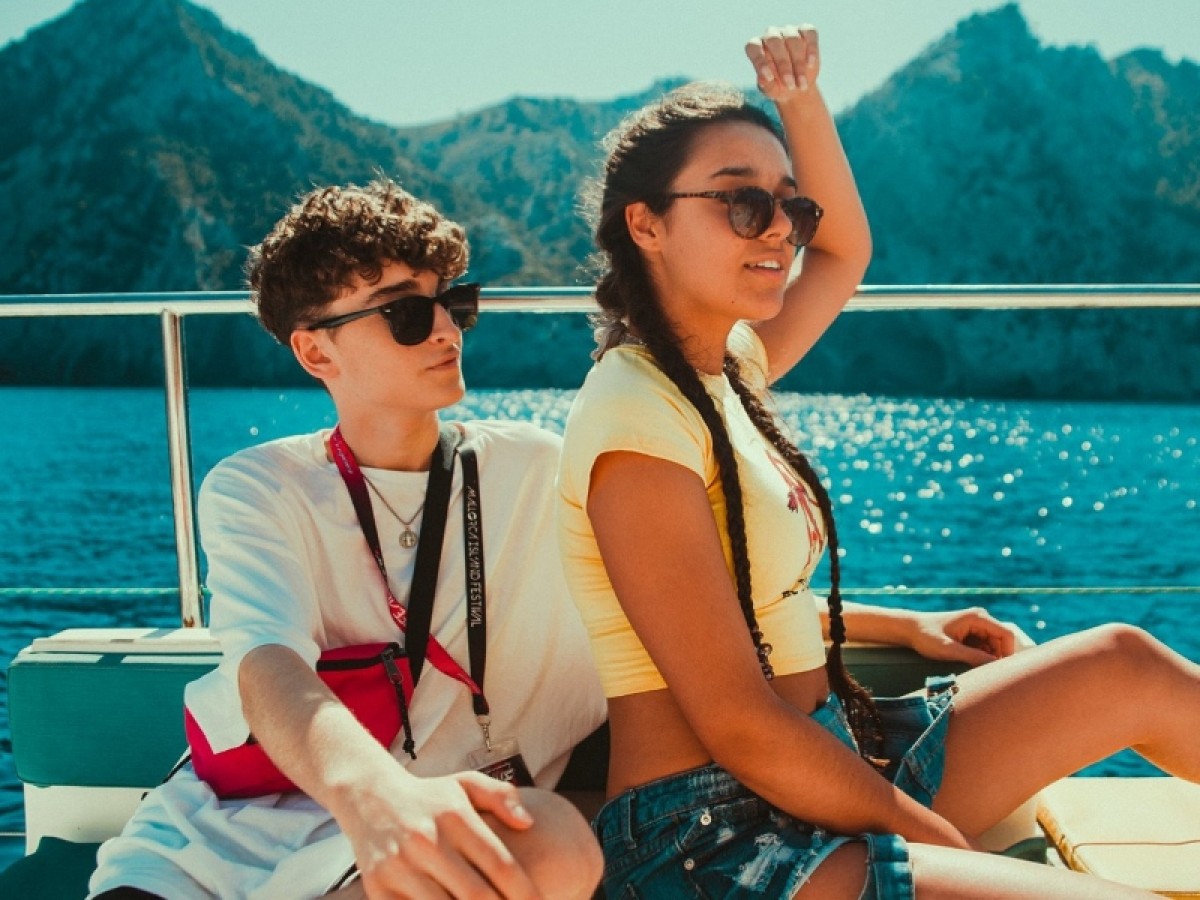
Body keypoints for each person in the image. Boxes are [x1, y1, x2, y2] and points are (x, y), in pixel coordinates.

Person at [557, 25, 1200, 899]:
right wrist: (943, 847)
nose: (779, 229)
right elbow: (738, 721)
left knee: (1126, 664)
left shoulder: (727, 367)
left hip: (826, 753)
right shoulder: (636, 419)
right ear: (646, 223)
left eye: (790, 206)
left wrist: (800, 100)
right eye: (743, 202)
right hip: (708, 832)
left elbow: (844, 252)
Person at [88, 178, 606, 899]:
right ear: (315, 353)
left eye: (453, 303)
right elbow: (266, 662)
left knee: (551, 843)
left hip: (407, 854)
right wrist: (376, 799)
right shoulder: (260, 487)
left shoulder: (537, 471)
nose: (447, 331)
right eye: (406, 312)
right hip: (214, 850)